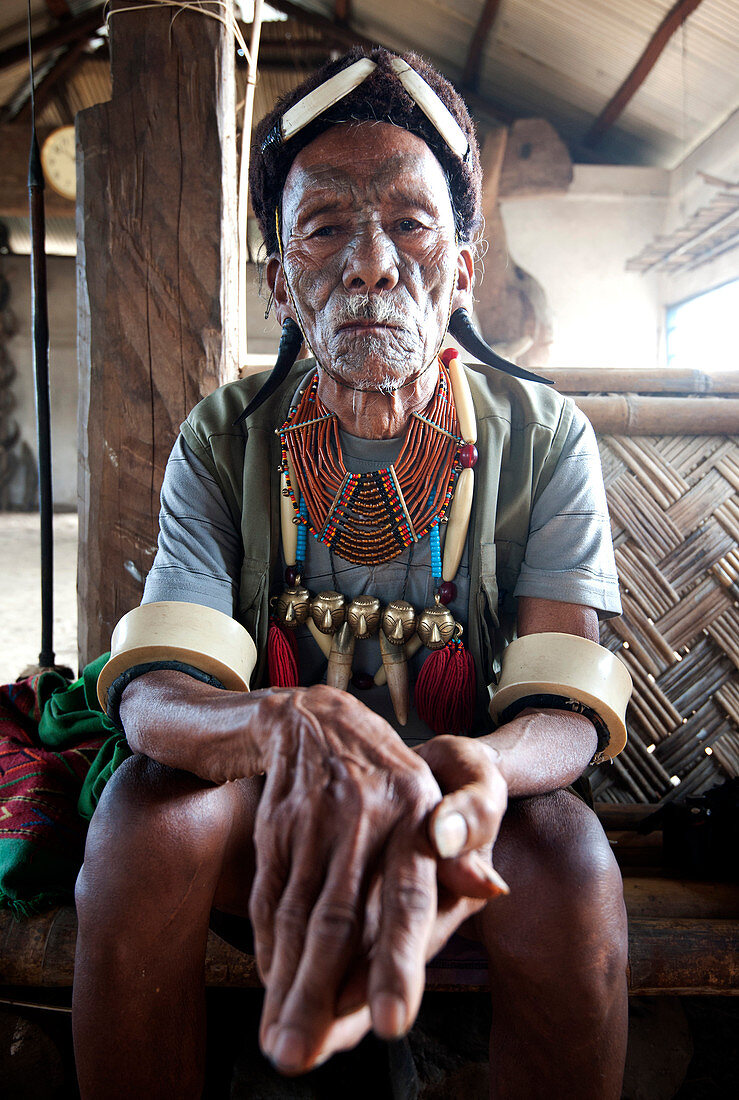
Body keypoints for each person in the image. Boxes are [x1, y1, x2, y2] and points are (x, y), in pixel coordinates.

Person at [72, 48, 631, 1099]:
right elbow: (154, 700)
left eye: (411, 224)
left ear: (462, 268)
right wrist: (285, 727)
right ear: (282, 284)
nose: (371, 261)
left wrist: (464, 774)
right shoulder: (226, 436)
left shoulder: (542, 435)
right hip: (267, 805)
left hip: (463, 805)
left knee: (568, 859)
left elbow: (566, 704)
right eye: (326, 226)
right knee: (145, 820)